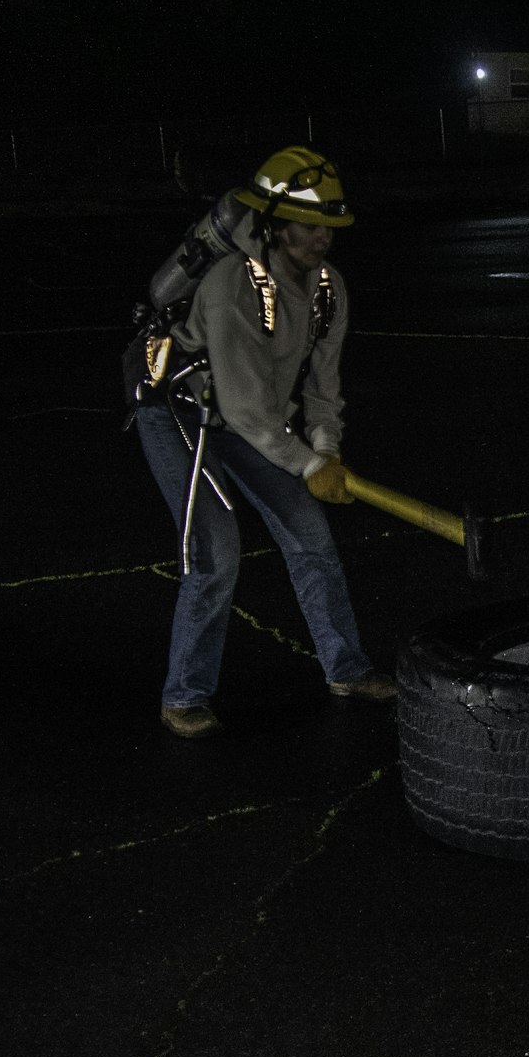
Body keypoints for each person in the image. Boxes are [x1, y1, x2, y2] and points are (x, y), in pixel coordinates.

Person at [135, 146, 396, 738]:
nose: (321, 239)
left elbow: (325, 390)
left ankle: (347, 670)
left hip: (252, 426)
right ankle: (184, 695)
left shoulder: (329, 289)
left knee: (311, 537)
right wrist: (306, 463)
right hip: (181, 416)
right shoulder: (233, 283)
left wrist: (325, 453)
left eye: (329, 227)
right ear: (275, 223)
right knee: (216, 550)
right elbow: (246, 407)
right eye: (308, 226)